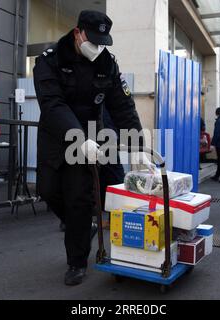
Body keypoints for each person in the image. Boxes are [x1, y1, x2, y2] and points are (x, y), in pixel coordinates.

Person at [33, 10, 153, 286]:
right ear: (78, 33)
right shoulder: (50, 61)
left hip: (89, 139)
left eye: (103, 42)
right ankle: (83, 225)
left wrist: (137, 147)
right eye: (93, 40)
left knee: (79, 199)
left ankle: (76, 262)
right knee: (48, 191)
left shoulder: (107, 64)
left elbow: (122, 107)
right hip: (56, 138)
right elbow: (52, 104)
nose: (97, 48)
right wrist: (77, 136)